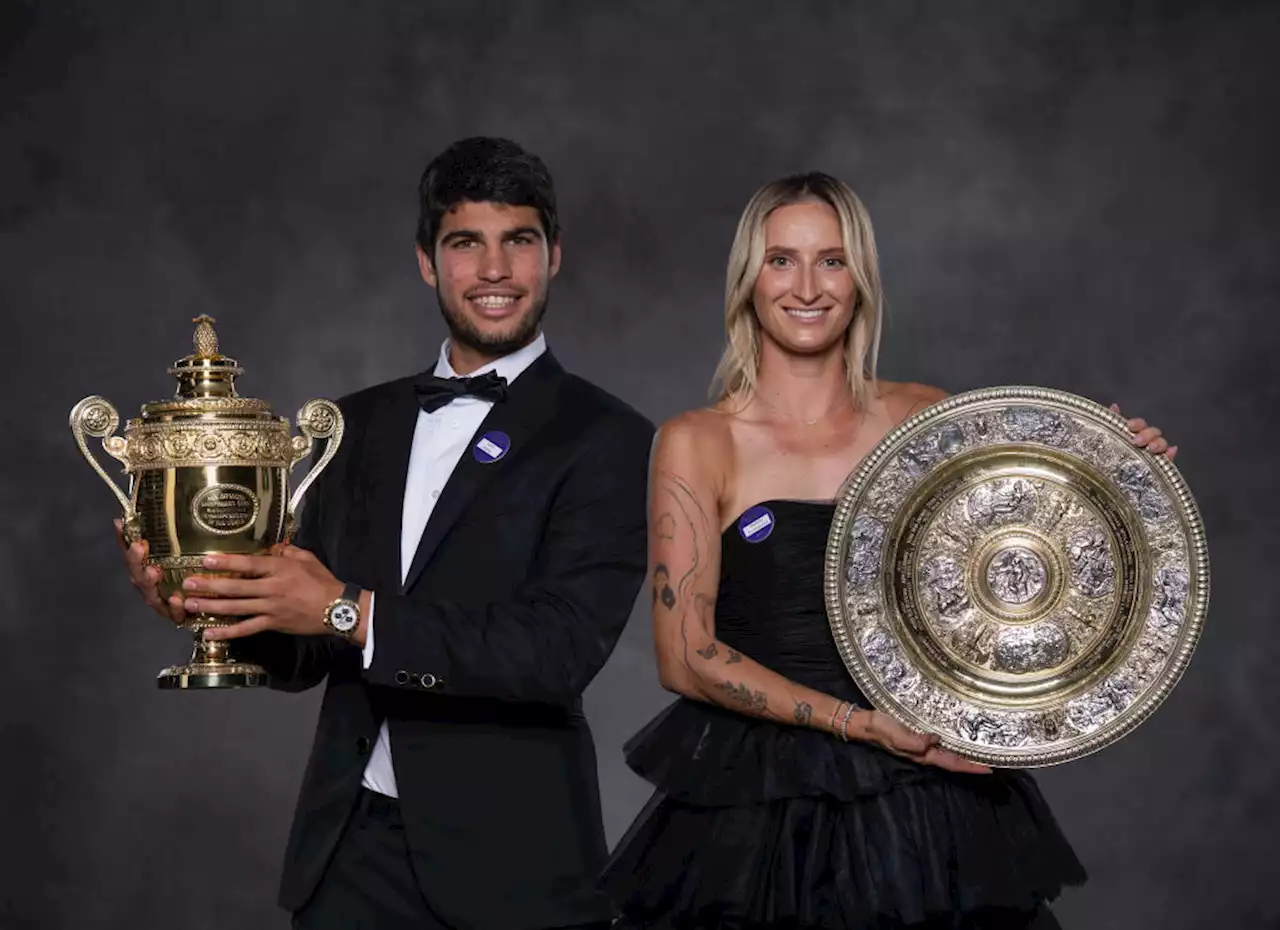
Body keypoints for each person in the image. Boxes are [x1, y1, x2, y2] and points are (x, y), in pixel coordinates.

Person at [599, 172, 1176, 929]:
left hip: (931, 805)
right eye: (782, 260)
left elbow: (1022, 560)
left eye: (831, 260)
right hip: (758, 814)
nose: (807, 286)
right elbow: (686, 656)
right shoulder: (698, 443)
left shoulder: (925, 416)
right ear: (748, 279)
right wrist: (859, 724)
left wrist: (1119, 468)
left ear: (860, 278)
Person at [116, 137, 654, 930]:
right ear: (427, 262)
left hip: (512, 862)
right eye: (466, 243)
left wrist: (346, 608)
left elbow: (554, 652)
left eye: (520, 241)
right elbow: (306, 649)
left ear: (554, 255)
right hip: (348, 855)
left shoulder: (610, 438)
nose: (496, 270)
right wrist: (214, 604)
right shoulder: (350, 425)